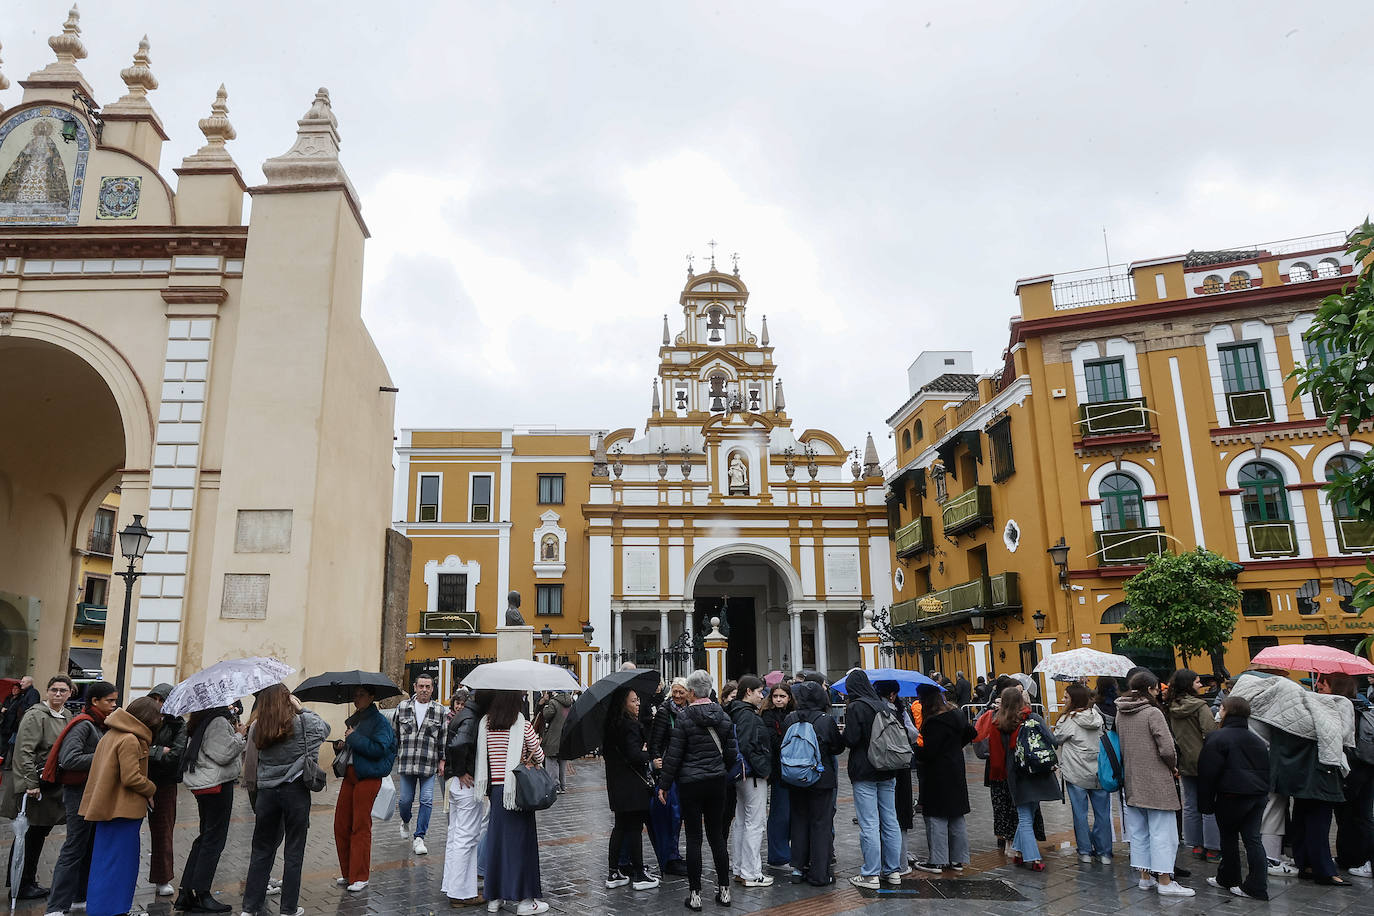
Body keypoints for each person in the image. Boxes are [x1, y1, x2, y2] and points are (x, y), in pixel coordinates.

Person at [1233, 665, 1352, 883]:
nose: (1316, 686)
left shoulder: (1263, 709)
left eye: (1321, 683)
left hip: (1293, 775)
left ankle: (1304, 863)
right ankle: (1317, 869)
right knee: (1311, 820)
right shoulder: (1305, 707)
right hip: (1315, 775)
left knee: (1300, 817)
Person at [241, 684, 330, 916]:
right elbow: (324, 728)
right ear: (287, 700)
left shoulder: (257, 727)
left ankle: (249, 908)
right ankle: (288, 909)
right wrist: (300, 708)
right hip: (295, 791)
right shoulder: (301, 723)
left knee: (261, 850)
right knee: (293, 851)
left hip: (266, 793)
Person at [657, 669, 736, 911]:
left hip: (690, 783)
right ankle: (724, 891)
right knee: (717, 837)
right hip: (716, 782)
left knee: (693, 838)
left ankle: (695, 895)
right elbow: (732, 753)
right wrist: (721, 768)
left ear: (691, 692)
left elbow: (674, 755)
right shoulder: (722, 716)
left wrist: (665, 784)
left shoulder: (684, 717)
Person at [78, 696, 161, 916]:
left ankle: (102, 908)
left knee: (105, 862)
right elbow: (131, 777)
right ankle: (113, 909)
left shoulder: (112, 734)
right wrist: (151, 789)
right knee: (120, 864)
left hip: (107, 808)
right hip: (122, 810)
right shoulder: (131, 739)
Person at [45, 680, 119, 916]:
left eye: (115, 700)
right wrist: (104, 756)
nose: (114, 705)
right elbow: (69, 759)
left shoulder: (101, 724)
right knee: (74, 848)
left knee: (88, 846)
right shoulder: (84, 725)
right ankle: (56, 906)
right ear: (94, 701)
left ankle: (79, 897)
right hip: (78, 794)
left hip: (93, 793)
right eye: (110, 701)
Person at [1116, 671, 1193, 897]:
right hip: (1156, 778)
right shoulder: (1152, 713)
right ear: (1150, 688)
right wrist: (1173, 766)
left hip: (1132, 778)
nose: (1159, 692)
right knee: (1163, 831)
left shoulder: (1121, 712)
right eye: (1156, 688)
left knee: (1139, 831)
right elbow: (1167, 749)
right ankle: (1165, 881)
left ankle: (1145, 878)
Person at [475, 690, 549, 915]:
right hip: (517, 793)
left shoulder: (485, 723)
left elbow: (484, 757)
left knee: (497, 845)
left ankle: (494, 898)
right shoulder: (522, 724)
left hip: (496, 792)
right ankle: (525, 900)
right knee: (522, 846)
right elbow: (540, 756)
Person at [0, 674, 73, 899]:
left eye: (63, 690)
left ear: (70, 693)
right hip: (34, 787)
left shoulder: (67, 715)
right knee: (28, 835)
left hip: (51, 786)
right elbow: (24, 752)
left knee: (38, 834)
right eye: (54, 690)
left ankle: (26, 880)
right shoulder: (35, 715)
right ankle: (20, 884)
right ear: (48, 691)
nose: (58, 694)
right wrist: (31, 784)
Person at [1196, 695, 1270, 900]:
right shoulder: (1256, 740)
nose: (1219, 710)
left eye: (1221, 707)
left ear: (1227, 711)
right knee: (1253, 839)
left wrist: (1206, 803)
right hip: (1258, 795)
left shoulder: (1217, 737)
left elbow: (1208, 772)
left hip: (1232, 795)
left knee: (1229, 839)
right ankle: (1255, 884)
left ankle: (1230, 878)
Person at [176, 705, 247, 913]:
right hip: (215, 785)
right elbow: (223, 754)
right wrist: (239, 736)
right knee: (214, 840)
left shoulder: (202, 720)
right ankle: (202, 893)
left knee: (205, 838)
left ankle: (186, 892)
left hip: (207, 783)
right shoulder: (216, 721)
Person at [842, 669, 905, 889]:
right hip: (888, 769)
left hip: (864, 770)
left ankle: (870, 874)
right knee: (890, 820)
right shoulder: (883, 705)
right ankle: (893, 870)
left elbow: (851, 739)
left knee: (869, 823)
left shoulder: (856, 707)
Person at [333, 685, 396, 892]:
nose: (356, 698)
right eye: (355, 695)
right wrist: (343, 745)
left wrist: (354, 738)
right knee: (341, 824)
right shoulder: (357, 719)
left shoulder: (380, 722)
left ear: (371, 697)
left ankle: (360, 876)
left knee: (360, 826)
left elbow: (379, 749)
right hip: (351, 776)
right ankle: (348, 872)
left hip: (367, 777)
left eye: (361, 695)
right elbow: (357, 747)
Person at [782, 679, 843, 888]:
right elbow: (837, 747)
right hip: (820, 778)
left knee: (799, 821)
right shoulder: (825, 720)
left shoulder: (790, 718)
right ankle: (819, 872)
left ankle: (798, 868)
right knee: (820, 824)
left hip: (795, 778)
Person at [993, 686, 1057, 872]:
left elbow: (998, 755)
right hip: (1037, 770)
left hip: (1015, 773)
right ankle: (1033, 857)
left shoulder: (999, 722)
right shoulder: (1033, 718)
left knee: (1024, 815)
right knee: (1029, 812)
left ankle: (1021, 853)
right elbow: (1052, 741)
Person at [913, 682, 976, 872]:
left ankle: (937, 860)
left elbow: (930, 752)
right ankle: (958, 859)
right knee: (956, 815)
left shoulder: (933, 722)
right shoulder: (956, 714)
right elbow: (972, 732)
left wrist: (916, 750)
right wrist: (955, 746)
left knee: (936, 816)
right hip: (956, 769)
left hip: (937, 773)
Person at [604, 687, 661, 892]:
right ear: (623, 704)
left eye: (638, 700)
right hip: (632, 786)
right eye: (634, 701)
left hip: (617, 785)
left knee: (620, 827)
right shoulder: (629, 726)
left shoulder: (610, 726)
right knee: (635, 828)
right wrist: (649, 756)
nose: (638, 704)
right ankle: (638, 874)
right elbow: (634, 756)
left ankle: (613, 872)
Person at [1052, 683, 1112, 864]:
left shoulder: (1067, 720)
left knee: (1080, 813)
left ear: (1074, 699)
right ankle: (1105, 852)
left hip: (1076, 771)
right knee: (1102, 813)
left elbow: (1056, 739)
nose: (1063, 700)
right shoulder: (1097, 715)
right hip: (1098, 772)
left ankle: (1085, 850)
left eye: (1066, 697)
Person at [1167, 669, 1220, 861]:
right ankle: (1213, 847)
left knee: (1190, 803)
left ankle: (1195, 845)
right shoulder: (1200, 706)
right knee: (1209, 804)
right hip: (1204, 759)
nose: (1200, 685)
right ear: (1189, 685)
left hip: (1184, 759)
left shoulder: (1170, 706)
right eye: (1197, 682)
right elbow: (1210, 732)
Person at [726, 675, 772, 888]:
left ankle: (739, 868)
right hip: (751, 774)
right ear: (749, 692)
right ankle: (751, 872)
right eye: (759, 692)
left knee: (742, 821)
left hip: (741, 774)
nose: (762, 696)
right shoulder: (747, 715)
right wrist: (764, 770)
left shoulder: (734, 712)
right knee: (755, 823)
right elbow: (748, 745)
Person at [394, 673, 447, 856]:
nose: (424, 690)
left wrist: (443, 760)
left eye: (428, 687)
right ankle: (405, 820)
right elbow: (395, 735)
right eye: (421, 686)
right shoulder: (402, 708)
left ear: (432, 689)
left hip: (428, 764)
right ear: (415, 687)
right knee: (405, 800)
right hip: (407, 762)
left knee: (426, 800)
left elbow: (443, 739)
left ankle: (419, 837)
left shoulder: (440, 711)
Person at [442, 688, 484, 906]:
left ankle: (453, 885)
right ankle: (459, 892)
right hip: (464, 783)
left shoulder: (464, 713)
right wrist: (460, 770)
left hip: (457, 783)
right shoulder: (471, 717)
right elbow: (458, 745)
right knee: (465, 838)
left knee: (457, 836)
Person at [1330, 673, 1374, 877]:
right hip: (1367, 765)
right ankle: (1355, 858)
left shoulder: (1340, 708)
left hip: (1351, 767)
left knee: (1348, 815)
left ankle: (1360, 859)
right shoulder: (1362, 706)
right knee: (1362, 815)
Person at [145, 683, 187, 897]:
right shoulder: (142, 719)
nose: (158, 704)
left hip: (164, 783)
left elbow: (175, 756)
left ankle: (162, 877)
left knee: (163, 832)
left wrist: (151, 751)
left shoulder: (178, 724)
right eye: (155, 699)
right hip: (137, 779)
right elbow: (133, 748)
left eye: (162, 700)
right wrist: (159, 751)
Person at [649, 678, 690, 876]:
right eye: (675, 691)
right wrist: (658, 764)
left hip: (685, 770)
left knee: (680, 814)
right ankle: (670, 857)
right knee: (671, 815)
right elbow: (655, 742)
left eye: (681, 692)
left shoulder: (690, 710)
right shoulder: (665, 712)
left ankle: (674, 854)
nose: (678, 696)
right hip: (669, 770)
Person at [760, 684, 793, 870]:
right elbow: (772, 741)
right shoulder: (767, 716)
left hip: (794, 769)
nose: (778, 699)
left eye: (782, 696)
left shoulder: (794, 713)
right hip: (778, 770)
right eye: (775, 696)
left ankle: (790, 851)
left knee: (792, 813)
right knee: (779, 813)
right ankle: (778, 856)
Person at [538, 691, 573, 793]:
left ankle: (554, 786)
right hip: (565, 737)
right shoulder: (569, 703)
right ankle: (562, 786)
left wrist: (545, 705)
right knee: (562, 761)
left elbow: (547, 715)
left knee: (551, 761)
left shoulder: (553, 702)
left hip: (553, 737)